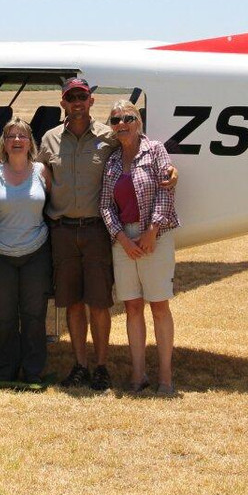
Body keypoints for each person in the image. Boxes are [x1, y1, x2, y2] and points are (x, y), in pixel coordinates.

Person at [38, 77, 177, 391]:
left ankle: (101, 367)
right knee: (73, 303)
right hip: (65, 230)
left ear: (90, 103)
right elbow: (37, 171)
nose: (76, 102)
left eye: (82, 97)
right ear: (63, 102)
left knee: (100, 303)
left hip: (99, 232)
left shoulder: (110, 138)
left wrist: (172, 174)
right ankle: (80, 365)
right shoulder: (49, 139)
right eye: (71, 97)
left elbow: (151, 164)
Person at [100, 100, 181, 395]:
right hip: (123, 239)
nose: (122, 124)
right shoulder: (111, 161)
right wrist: (121, 238)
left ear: (139, 122)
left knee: (159, 305)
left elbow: (166, 189)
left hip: (154, 236)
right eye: (116, 119)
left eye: (128, 118)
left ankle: (166, 378)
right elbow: (106, 205)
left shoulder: (156, 150)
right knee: (132, 306)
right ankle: (138, 375)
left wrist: (153, 230)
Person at [0, 118, 52, 383]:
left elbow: (53, 205)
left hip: (35, 251)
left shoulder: (42, 171)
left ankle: (33, 371)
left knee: (34, 316)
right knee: (4, 317)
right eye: (11, 136)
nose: (17, 141)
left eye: (22, 136)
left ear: (30, 142)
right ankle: (6, 371)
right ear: (4, 143)